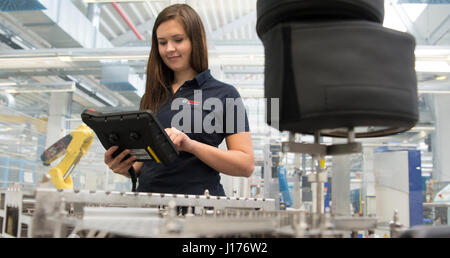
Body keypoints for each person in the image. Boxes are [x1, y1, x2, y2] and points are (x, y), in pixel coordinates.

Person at [104, 4, 254, 196]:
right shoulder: (151, 96)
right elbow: (143, 165)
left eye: (178, 40)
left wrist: (190, 145)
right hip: (148, 204)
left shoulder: (225, 94)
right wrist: (124, 166)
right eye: (162, 42)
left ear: (196, 41)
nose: (169, 49)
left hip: (198, 208)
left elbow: (246, 164)